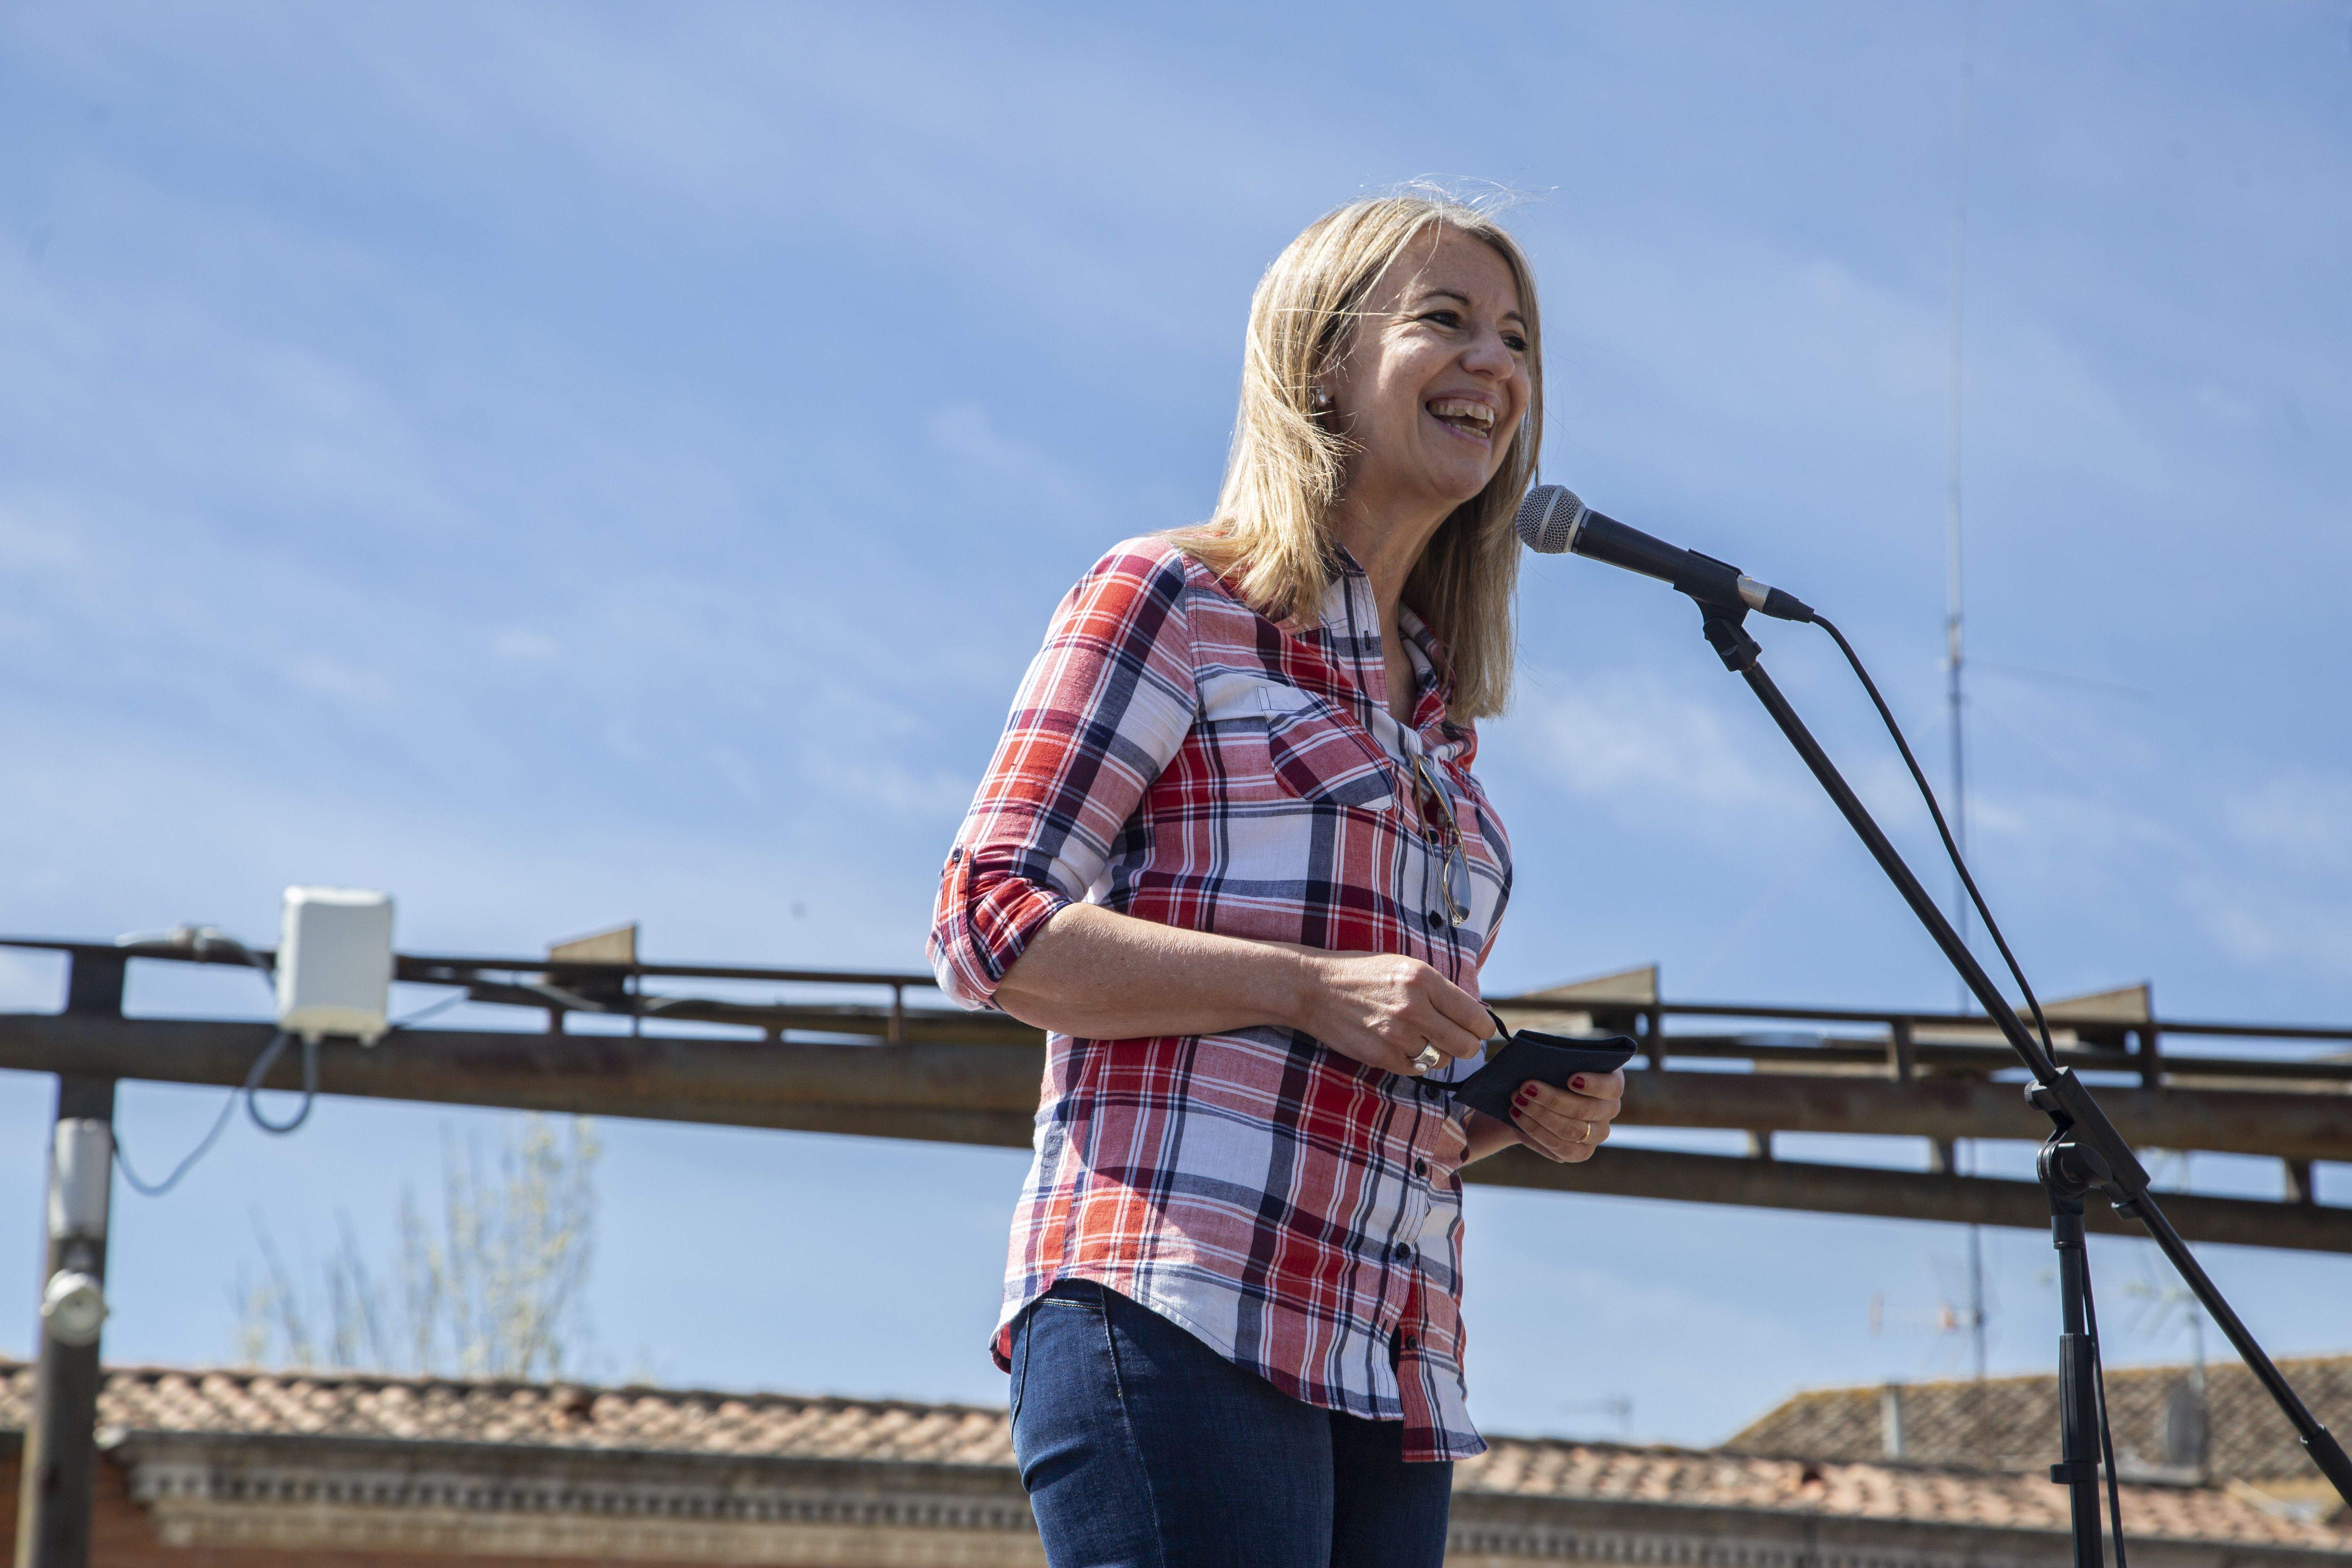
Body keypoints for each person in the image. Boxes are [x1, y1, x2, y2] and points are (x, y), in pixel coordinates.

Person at [928, 192, 1625, 1568]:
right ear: (1321, 360)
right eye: (1444, 321)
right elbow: (987, 922)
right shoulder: (1173, 601)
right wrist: (1309, 987)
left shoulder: (1443, 733)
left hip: (1390, 1355)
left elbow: (1362, 1061)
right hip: (1177, 1302)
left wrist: (1507, 1104)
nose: (1494, 362)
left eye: (1518, 338)